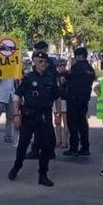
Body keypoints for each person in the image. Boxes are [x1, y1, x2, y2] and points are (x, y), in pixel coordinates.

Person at [9, 53, 62, 186]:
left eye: (45, 61)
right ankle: (17, 166)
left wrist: (58, 114)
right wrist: (16, 115)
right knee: (22, 145)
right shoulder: (28, 78)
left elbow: (57, 97)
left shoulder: (50, 78)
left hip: (45, 116)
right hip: (29, 116)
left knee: (46, 146)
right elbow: (16, 96)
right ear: (34, 62)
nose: (43, 64)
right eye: (40, 61)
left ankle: (43, 175)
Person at [63, 47, 97, 156]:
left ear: (78, 56)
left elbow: (67, 77)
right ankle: (85, 147)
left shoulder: (76, 67)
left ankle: (73, 147)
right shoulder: (90, 69)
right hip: (84, 100)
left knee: (72, 123)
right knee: (82, 123)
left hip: (73, 99)